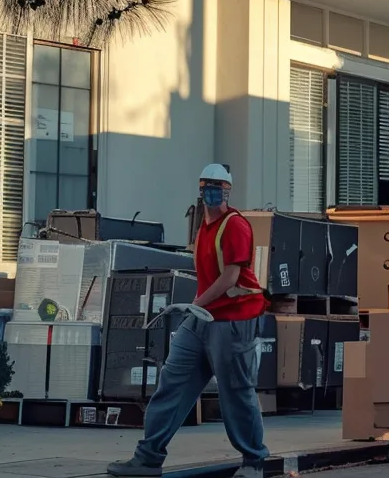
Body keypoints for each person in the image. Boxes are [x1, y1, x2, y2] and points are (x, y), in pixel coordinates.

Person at [109, 164, 270, 477]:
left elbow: (230, 276)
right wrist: (198, 308)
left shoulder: (235, 225)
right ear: (200, 188)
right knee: (172, 382)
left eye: (218, 186)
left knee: (236, 392)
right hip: (203, 319)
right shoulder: (204, 227)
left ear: (228, 191)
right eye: (207, 185)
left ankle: (254, 462)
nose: (212, 191)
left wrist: (196, 303)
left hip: (234, 320)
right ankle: (148, 457)